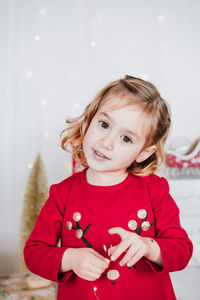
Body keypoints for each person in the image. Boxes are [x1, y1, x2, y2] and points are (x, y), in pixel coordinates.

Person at [24, 75, 193, 300]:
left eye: (126, 138)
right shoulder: (62, 193)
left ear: (143, 152)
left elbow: (182, 251)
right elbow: (34, 253)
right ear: (89, 119)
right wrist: (70, 258)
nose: (107, 142)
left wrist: (148, 247)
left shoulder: (155, 189)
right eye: (104, 124)